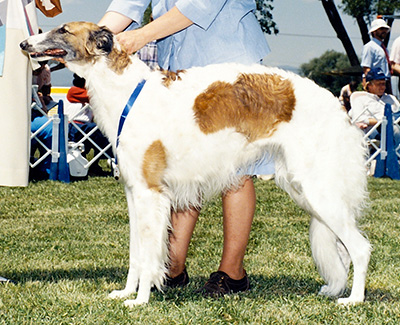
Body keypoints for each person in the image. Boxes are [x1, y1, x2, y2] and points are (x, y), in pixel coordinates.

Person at [99, 0, 273, 296]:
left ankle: (232, 273)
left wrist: (142, 35)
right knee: (178, 162)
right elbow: (129, 3)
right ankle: (172, 267)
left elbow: (201, 5)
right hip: (180, 66)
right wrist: (91, 39)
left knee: (236, 169)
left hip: (230, 60)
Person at [65, 74, 113, 175]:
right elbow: (91, 97)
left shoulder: (91, 95)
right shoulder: (74, 91)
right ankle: (109, 157)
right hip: (73, 126)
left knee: (104, 131)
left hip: (85, 127)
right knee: (98, 131)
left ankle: (96, 162)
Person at [349, 68, 400, 149]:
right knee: (394, 130)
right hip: (374, 132)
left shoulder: (391, 99)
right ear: (369, 85)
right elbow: (358, 119)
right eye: (378, 84)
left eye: (383, 84)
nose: (382, 87)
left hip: (393, 127)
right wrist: (380, 121)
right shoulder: (360, 99)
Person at [361, 18, 392, 93]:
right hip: (376, 83)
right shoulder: (369, 47)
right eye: (381, 29)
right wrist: (370, 86)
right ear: (374, 32)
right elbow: (366, 68)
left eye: (386, 29)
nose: (384, 31)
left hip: (385, 81)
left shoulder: (383, 48)